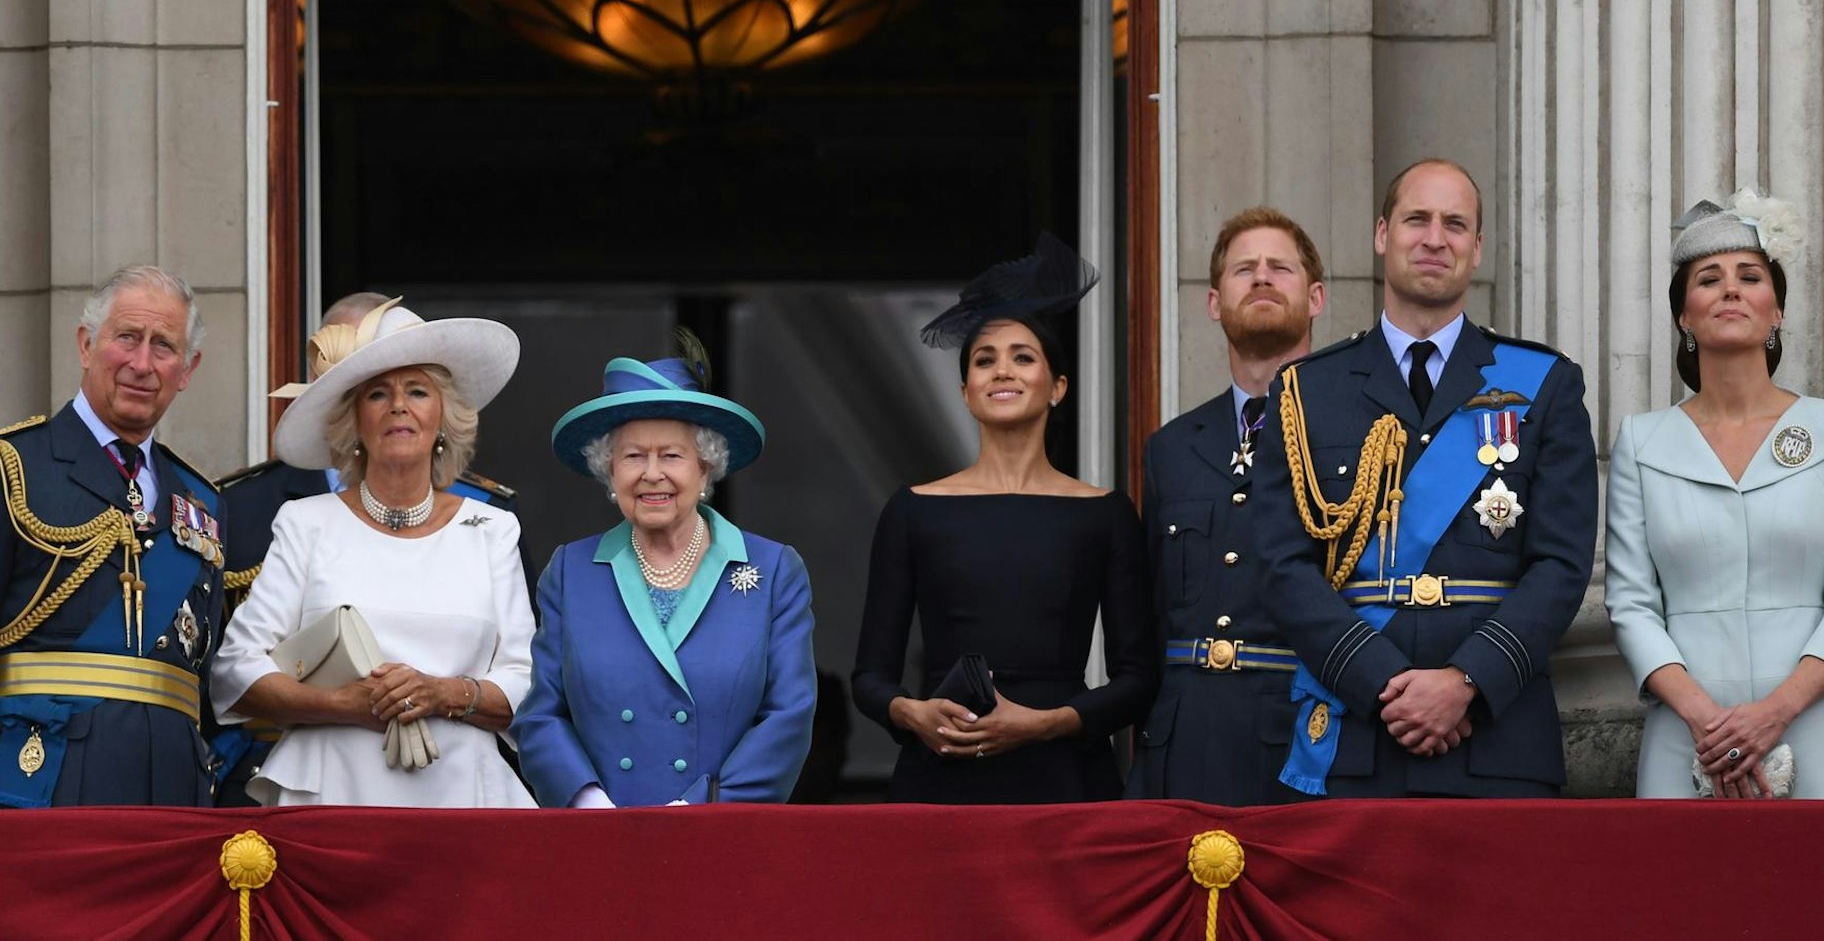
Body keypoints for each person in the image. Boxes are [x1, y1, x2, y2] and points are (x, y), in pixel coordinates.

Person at [1252, 158, 1597, 798]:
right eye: (1418, 219)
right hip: (1356, 731)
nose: (1435, 238)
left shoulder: (1543, 383)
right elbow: (1280, 565)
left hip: (1496, 737)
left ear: (1477, 248)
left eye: (1455, 224)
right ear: (1383, 234)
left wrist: (1466, 681)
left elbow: (1561, 565)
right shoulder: (1306, 390)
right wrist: (1383, 681)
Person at [851, 234, 1156, 803]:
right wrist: (912, 713)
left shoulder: (1105, 514)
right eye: (984, 360)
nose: (1002, 371)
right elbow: (869, 677)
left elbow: (1138, 680)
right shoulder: (913, 509)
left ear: (1058, 387)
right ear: (966, 391)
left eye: (1023, 356)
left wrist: (1045, 722)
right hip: (942, 773)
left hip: (1065, 780)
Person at [210, 299, 536, 807]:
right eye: (378, 393)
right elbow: (236, 670)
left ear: (443, 418)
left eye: (418, 391)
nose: (398, 406)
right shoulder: (307, 522)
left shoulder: (493, 529)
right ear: (355, 424)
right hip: (331, 796)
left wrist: (441, 692)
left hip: (463, 801)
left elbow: (525, 683)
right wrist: (343, 704)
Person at [514, 334, 816, 807]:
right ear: (610, 472)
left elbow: (789, 716)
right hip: (603, 832)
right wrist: (588, 802)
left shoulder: (773, 570)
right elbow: (540, 716)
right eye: (633, 456)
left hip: (721, 831)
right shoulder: (572, 571)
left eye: (671, 455)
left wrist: (703, 808)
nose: (652, 473)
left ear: (705, 468)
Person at [1606, 189, 1824, 799]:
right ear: (1684, 315)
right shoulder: (1642, 441)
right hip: (1685, 733)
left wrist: (1776, 711)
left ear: (1776, 308)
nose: (1730, 289)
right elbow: (1630, 601)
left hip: (1813, 721)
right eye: (1709, 279)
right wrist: (1706, 719)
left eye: (1750, 276)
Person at [0, 265, 223, 807]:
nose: (142, 364)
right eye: (127, 337)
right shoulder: (15, 466)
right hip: (43, 777)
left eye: (163, 346)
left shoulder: (202, 499)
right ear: (85, 344)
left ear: (187, 369)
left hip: (173, 785)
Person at [1125, 207, 1326, 805]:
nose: (1261, 278)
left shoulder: (1359, 433)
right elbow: (1153, 612)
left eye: (1279, 268)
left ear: (1315, 297)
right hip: (1183, 742)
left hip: (1302, 742)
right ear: (1215, 303)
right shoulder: (1171, 448)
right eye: (1244, 269)